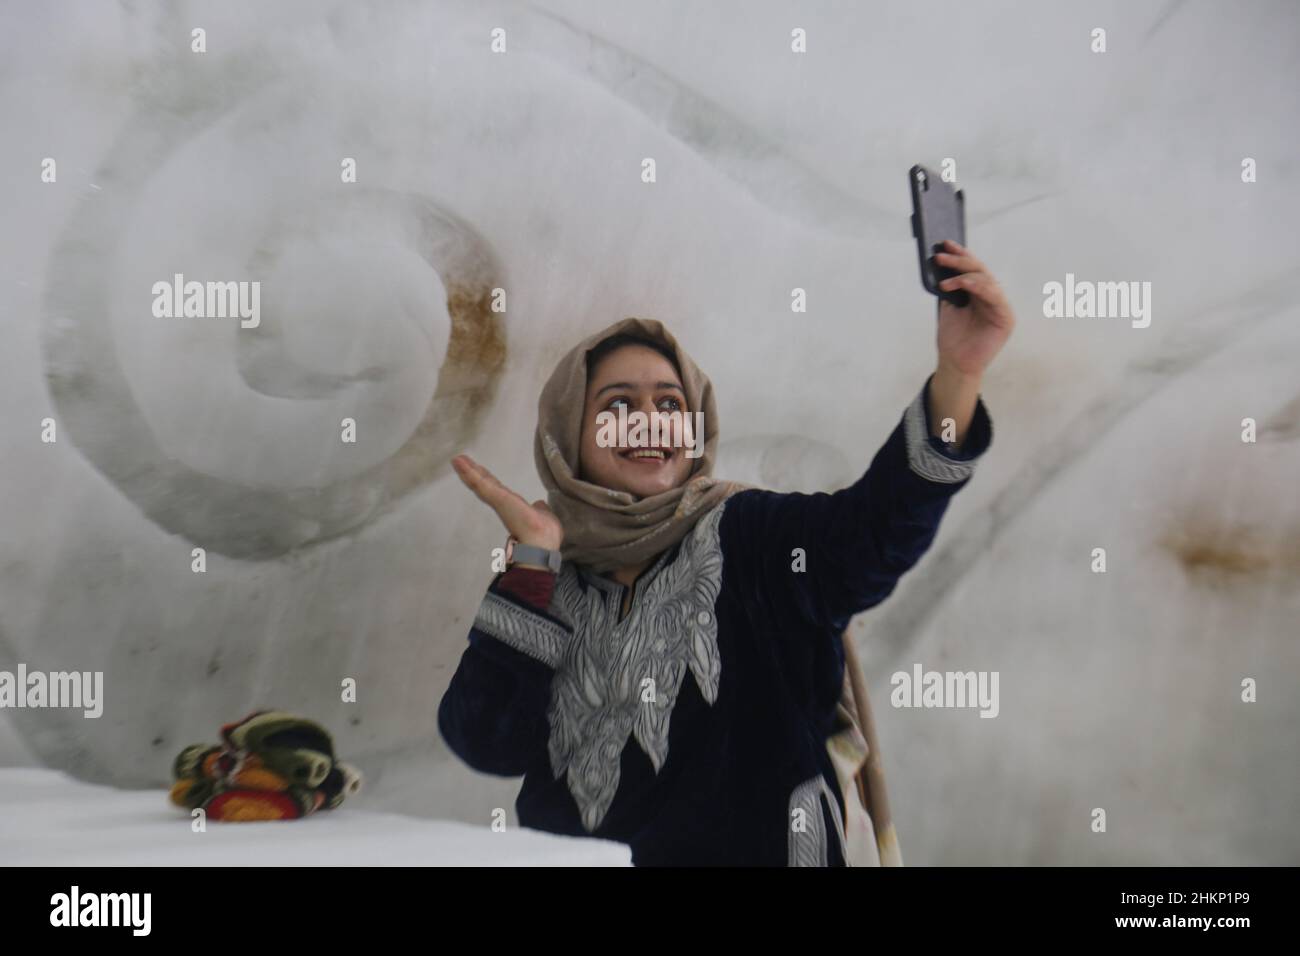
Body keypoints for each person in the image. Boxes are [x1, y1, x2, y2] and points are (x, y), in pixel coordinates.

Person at [439, 240, 1015, 865]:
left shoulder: (756, 538)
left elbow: (875, 531)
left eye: (669, 403)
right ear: (568, 434)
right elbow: (487, 742)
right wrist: (530, 565)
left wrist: (959, 376)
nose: (649, 421)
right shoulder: (546, 577)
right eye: (617, 405)